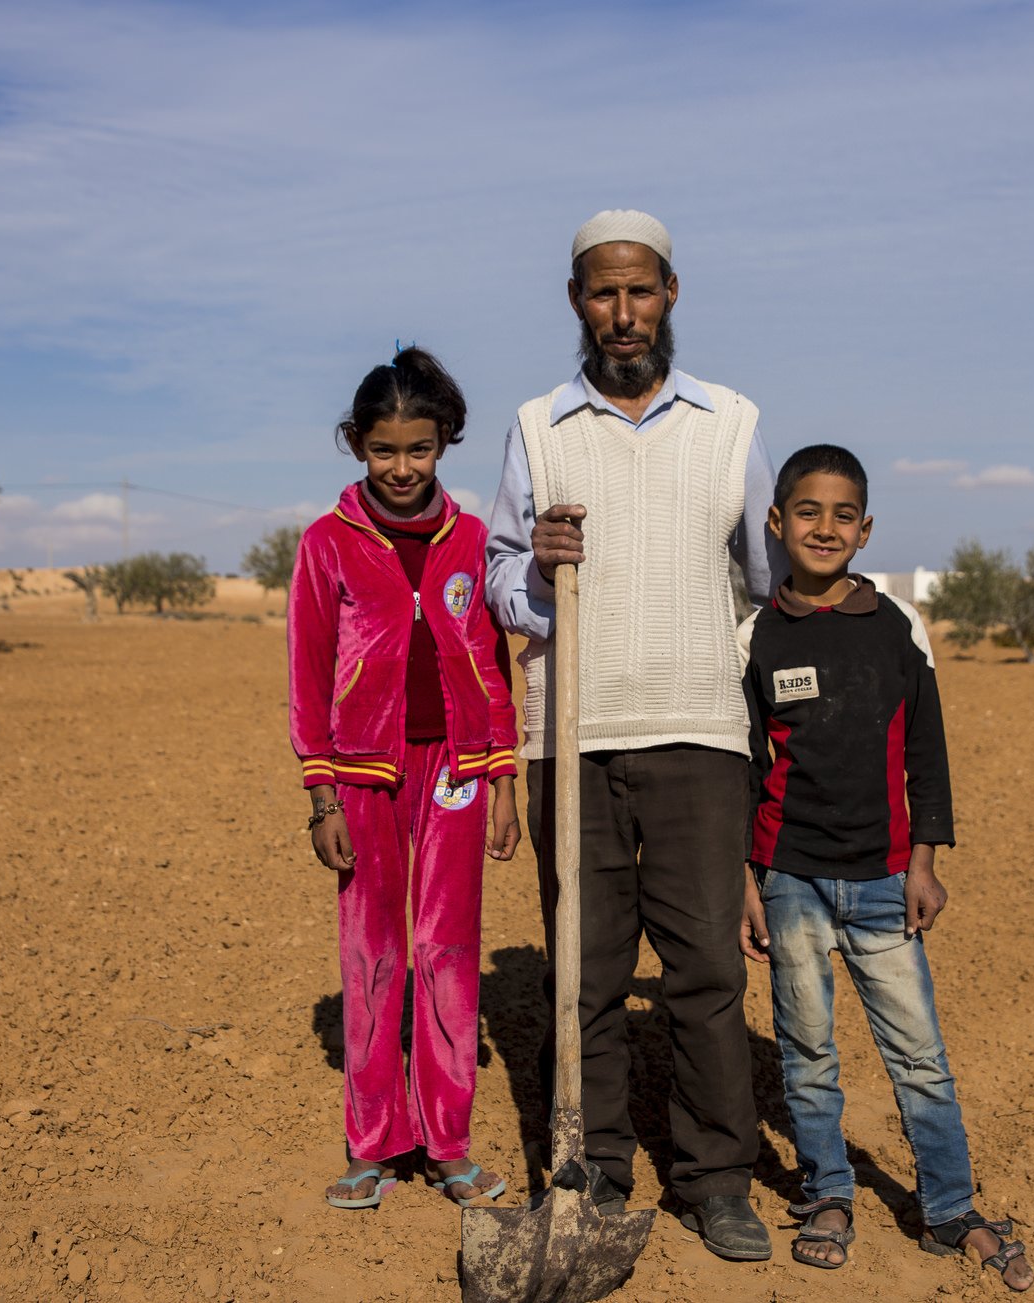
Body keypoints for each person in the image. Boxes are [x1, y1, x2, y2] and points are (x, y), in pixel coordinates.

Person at [485, 209, 783, 1261]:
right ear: (577, 301)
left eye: (639, 291)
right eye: (601, 294)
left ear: (669, 293)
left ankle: (716, 1181)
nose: (621, 313)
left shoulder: (732, 423)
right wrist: (532, 567)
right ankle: (592, 1173)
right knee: (585, 970)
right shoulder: (536, 428)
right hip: (574, 733)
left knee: (704, 966)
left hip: (700, 731)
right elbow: (498, 581)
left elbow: (761, 581)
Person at [737, 445, 1034, 1289]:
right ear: (776, 521)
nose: (823, 527)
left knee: (920, 1056)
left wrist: (925, 861)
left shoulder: (899, 626)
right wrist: (745, 882)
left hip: (882, 877)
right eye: (806, 511)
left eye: (842, 515)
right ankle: (827, 1194)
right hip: (789, 875)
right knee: (807, 1051)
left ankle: (949, 1206)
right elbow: (745, 768)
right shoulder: (754, 635)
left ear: (865, 530)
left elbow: (929, 755)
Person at [289, 346, 523, 1211]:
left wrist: (502, 777)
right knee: (374, 953)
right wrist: (321, 794)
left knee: (449, 952)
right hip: (360, 775)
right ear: (356, 445)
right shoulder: (326, 546)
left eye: (418, 449)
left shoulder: (471, 541)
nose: (400, 467)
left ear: (444, 444)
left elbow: (491, 666)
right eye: (384, 450)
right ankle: (374, 1141)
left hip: (455, 772)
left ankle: (449, 1143)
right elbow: (309, 674)